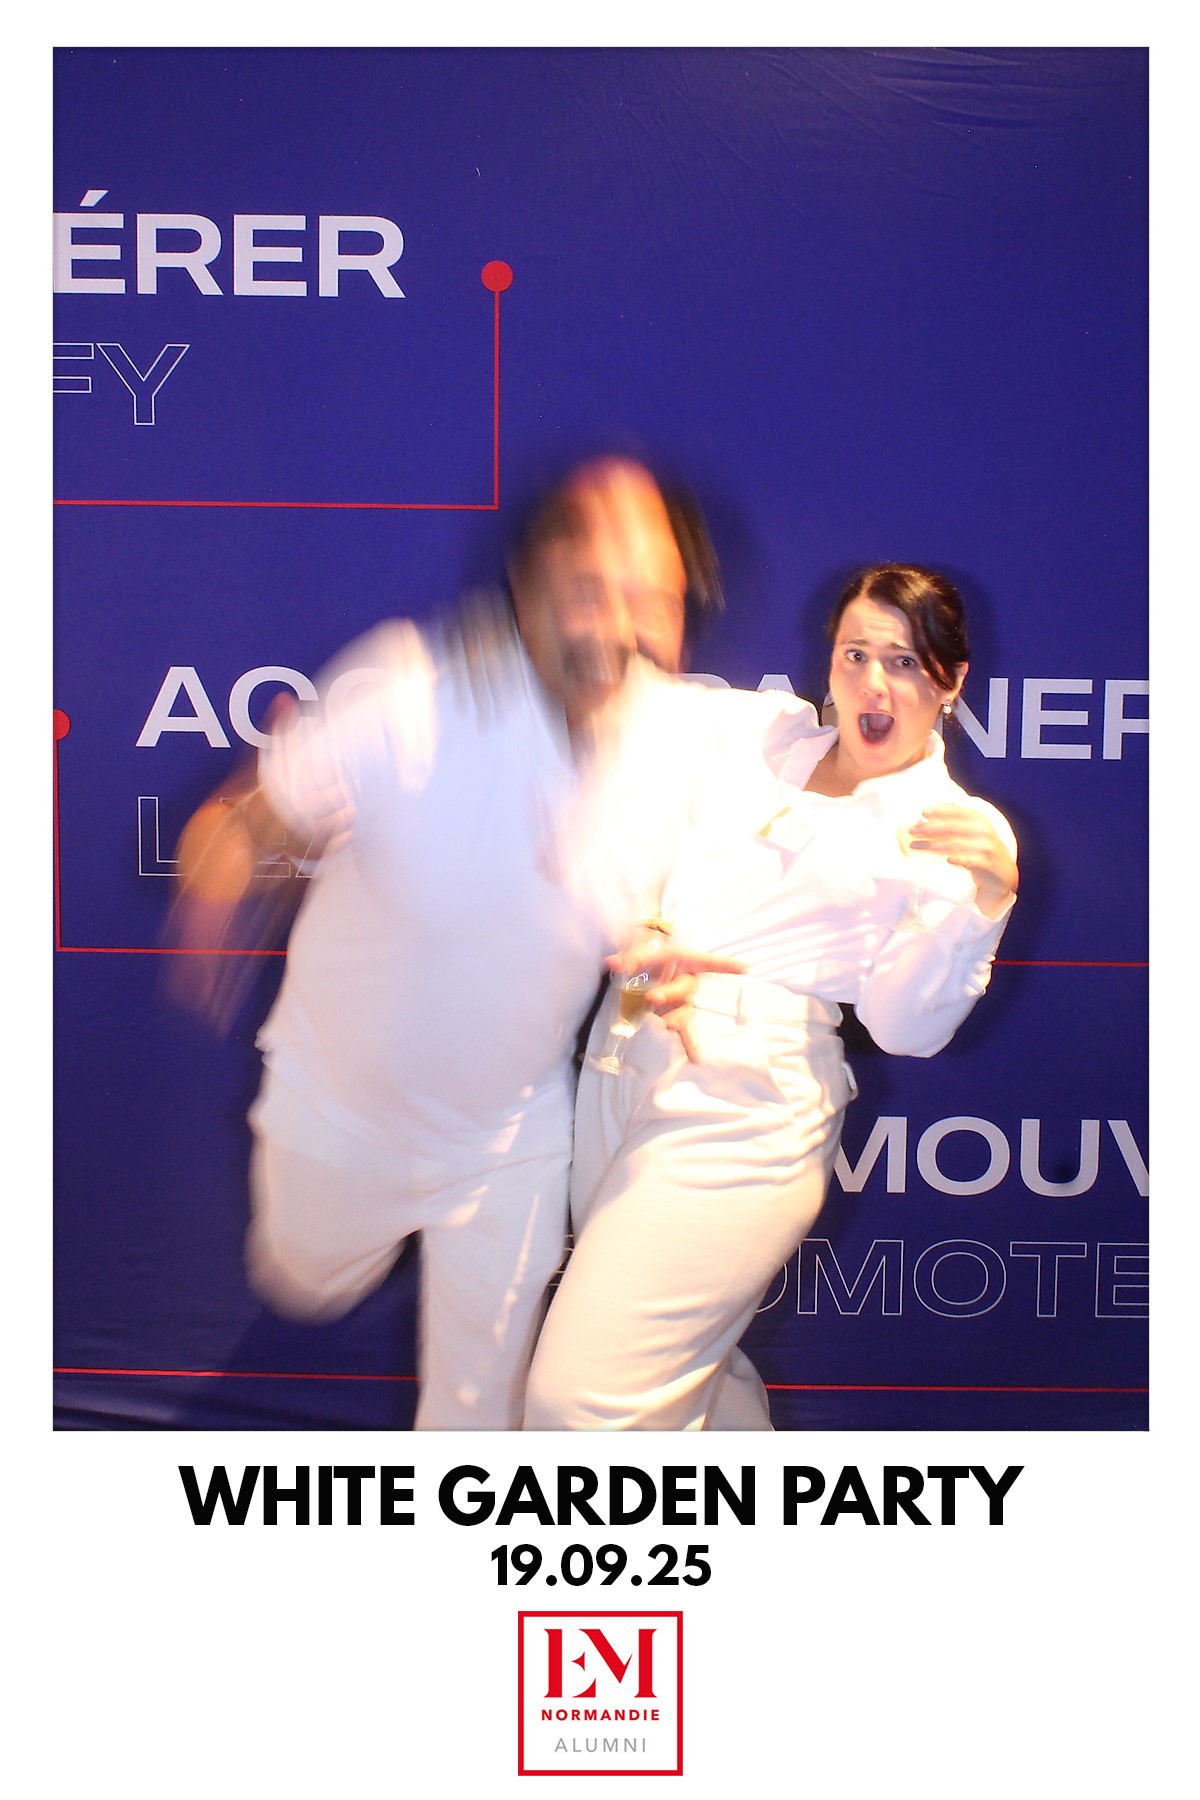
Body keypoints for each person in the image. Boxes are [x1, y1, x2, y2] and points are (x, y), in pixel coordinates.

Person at [169, 455, 728, 1429]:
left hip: (508, 1139)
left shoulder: (682, 742)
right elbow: (243, 829)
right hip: (342, 1114)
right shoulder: (407, 694)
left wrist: (656, 963)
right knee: (307, 1280)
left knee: (479, 1413)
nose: (624, 628)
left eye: (656, 601)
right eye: (592, 592)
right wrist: (221, 886)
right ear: (530, 589)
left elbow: (639, 911)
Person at [522, 562, 1019, 1431]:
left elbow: (904, 1028)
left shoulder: (952, 830)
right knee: (681, 1376)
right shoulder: (763, 731)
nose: (872, 683)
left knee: (582, 1403)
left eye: (903, 662)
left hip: (745, 1106)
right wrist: (635, 919)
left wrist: (986, 903)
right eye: (855, 654)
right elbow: (615, 736)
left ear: (951, 681)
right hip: (624, 1054)